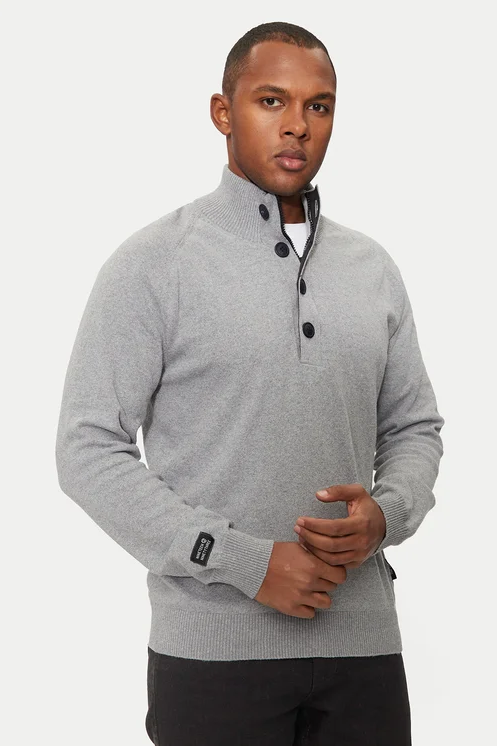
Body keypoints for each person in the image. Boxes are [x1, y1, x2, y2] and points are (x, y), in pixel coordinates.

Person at [55, 20, 445, 746]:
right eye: (272, 101)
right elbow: (87, 450)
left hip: (362, 651)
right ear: (223, 112)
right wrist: (242, 561)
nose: (298, 125)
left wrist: (387, 515)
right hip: (212, 656)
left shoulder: (373, 269)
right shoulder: (154, 263)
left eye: (318, 106)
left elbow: (413, 426)